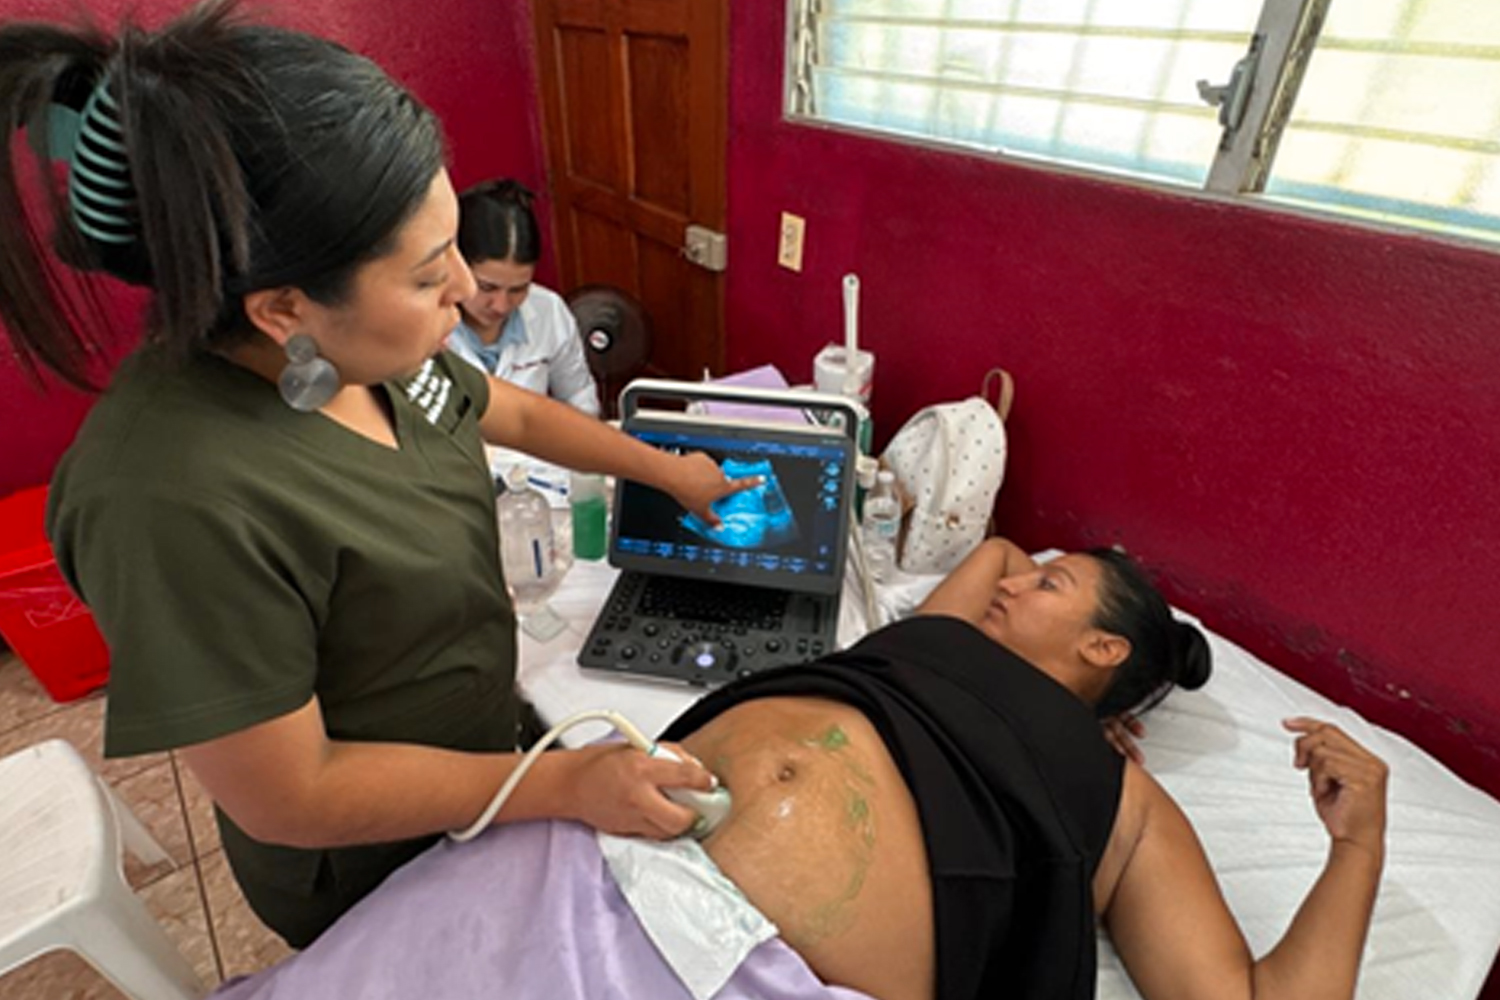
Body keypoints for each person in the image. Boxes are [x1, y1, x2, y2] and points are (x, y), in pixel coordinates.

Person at [0, 0, 741, 948]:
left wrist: (666, 470)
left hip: (482, 765)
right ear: (283, 309)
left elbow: (502, 410)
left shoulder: (367, 348)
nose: (470, 296)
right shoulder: (168, 499)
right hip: (370, 860)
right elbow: (293, 794)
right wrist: (561, 783)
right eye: (434, 276)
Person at [659, 537, 1389, 1000]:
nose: (1011, 585)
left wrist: (1358, 848)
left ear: (1106, 649)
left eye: (1048, 585)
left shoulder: (1128, 800)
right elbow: (1001, 552)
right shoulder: (941, 637)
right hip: (624, 850)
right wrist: (1052, 596)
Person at [447, 178, 600, 415]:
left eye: (518, 289)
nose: (501, 306)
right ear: (455, 266)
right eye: (486, 287)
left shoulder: (548, 310)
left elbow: (578, 396)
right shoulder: (423, 329)